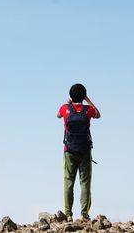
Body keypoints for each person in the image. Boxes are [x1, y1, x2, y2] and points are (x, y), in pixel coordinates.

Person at [57, 83, 101, 221]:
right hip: (85, 151)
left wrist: (68, 103)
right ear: (84, 96)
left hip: (69, 151)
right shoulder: (88, 110)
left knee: (68, 182)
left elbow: (58, 115)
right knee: (85, 182)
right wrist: (87, 100)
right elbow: (98, 114)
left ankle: (68, 214)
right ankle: (84, 214)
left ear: (71, 95)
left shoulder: (65, 109)